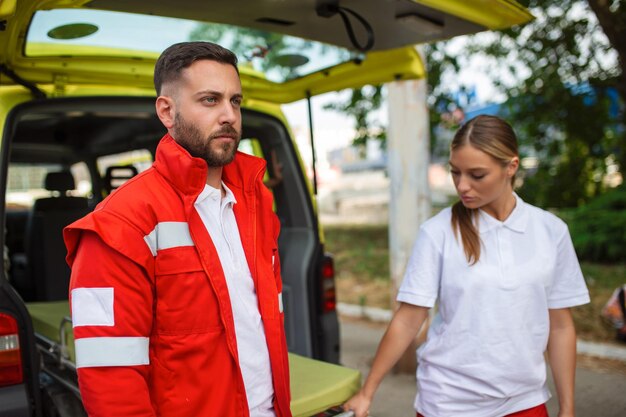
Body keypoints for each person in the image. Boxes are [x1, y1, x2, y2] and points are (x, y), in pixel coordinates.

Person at [64, 42, 291, 417]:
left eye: (235, 101)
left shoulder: (257, 203)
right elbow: (110, 378)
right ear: (167, 111)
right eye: (209, 100)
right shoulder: (121, 222)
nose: (229, 116)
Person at [344, 115, 590, 417]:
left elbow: (561, 326)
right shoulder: (437, 232)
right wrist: (368, 392)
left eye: (477, 175)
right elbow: (408, 320)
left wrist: (568, 408)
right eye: (455, 172)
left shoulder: (551, 231)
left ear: (511, 167)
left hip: (523, 402)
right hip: (448, 403)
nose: (462, 186)